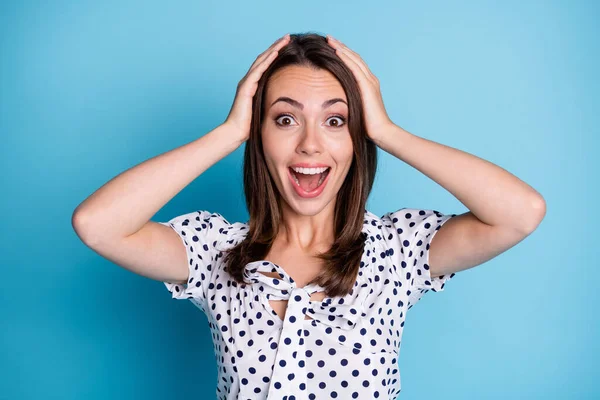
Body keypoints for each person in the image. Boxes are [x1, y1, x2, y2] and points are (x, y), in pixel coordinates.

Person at [72, 32, 546, 400]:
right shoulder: (216, 251)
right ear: (261, 135)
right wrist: (230, 132)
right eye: (285, 119)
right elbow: (97, 225)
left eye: (335, 121)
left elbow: (520, 213)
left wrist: (385, 130)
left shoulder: (397, 249)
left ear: (355, 138)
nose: (310, 144)